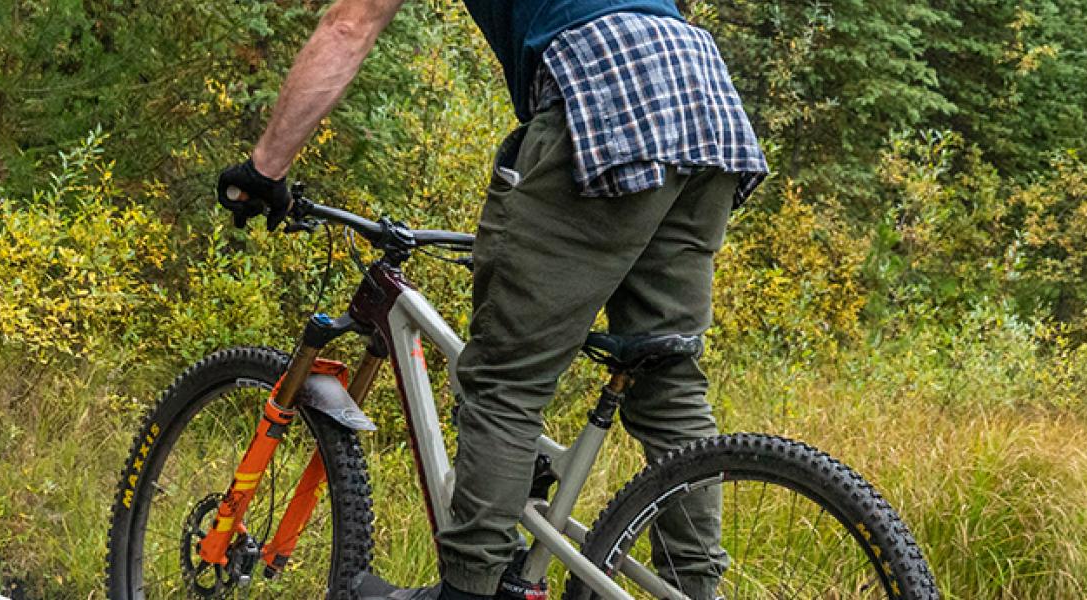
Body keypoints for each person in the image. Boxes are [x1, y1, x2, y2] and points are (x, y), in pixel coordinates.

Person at [214, 0, 768, 598]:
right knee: (667, 380)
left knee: (506, 382)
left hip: (609, 81)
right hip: (704, 95)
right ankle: (692, 589)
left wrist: (265, 169)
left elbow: (350, 23)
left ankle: (470, 589)